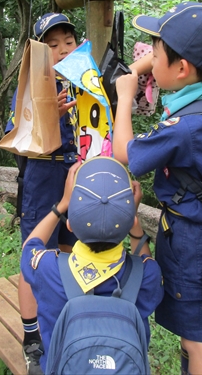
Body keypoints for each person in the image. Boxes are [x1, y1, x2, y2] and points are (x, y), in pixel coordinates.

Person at [113, 2, 202, 375]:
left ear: (182, 68)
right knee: (195, 327)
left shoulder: (184, 127)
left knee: (198, 337)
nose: (149, 58)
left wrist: (124, 97)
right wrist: (138, 68)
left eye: (154, 53)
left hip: (195, 244)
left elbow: (125, 152)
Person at [20, 156, 164, 374]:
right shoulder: (147, 275)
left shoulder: (48, 269)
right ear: (130, 222)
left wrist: (62, 205)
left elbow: (31, 245)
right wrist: (133, 222)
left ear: (69, 224)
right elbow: (146, 260)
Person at [5, 13, 79, 374]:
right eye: (52, 46)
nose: (62, 50)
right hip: (44, 176)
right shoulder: (30, 88)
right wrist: (47, 112)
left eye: (68, 42)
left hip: (78, 172)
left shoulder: (89, 82)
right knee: (35, 255)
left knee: (72, 250)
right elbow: (17, 139)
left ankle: (66, 320)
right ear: (39, 54)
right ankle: (33, 337)